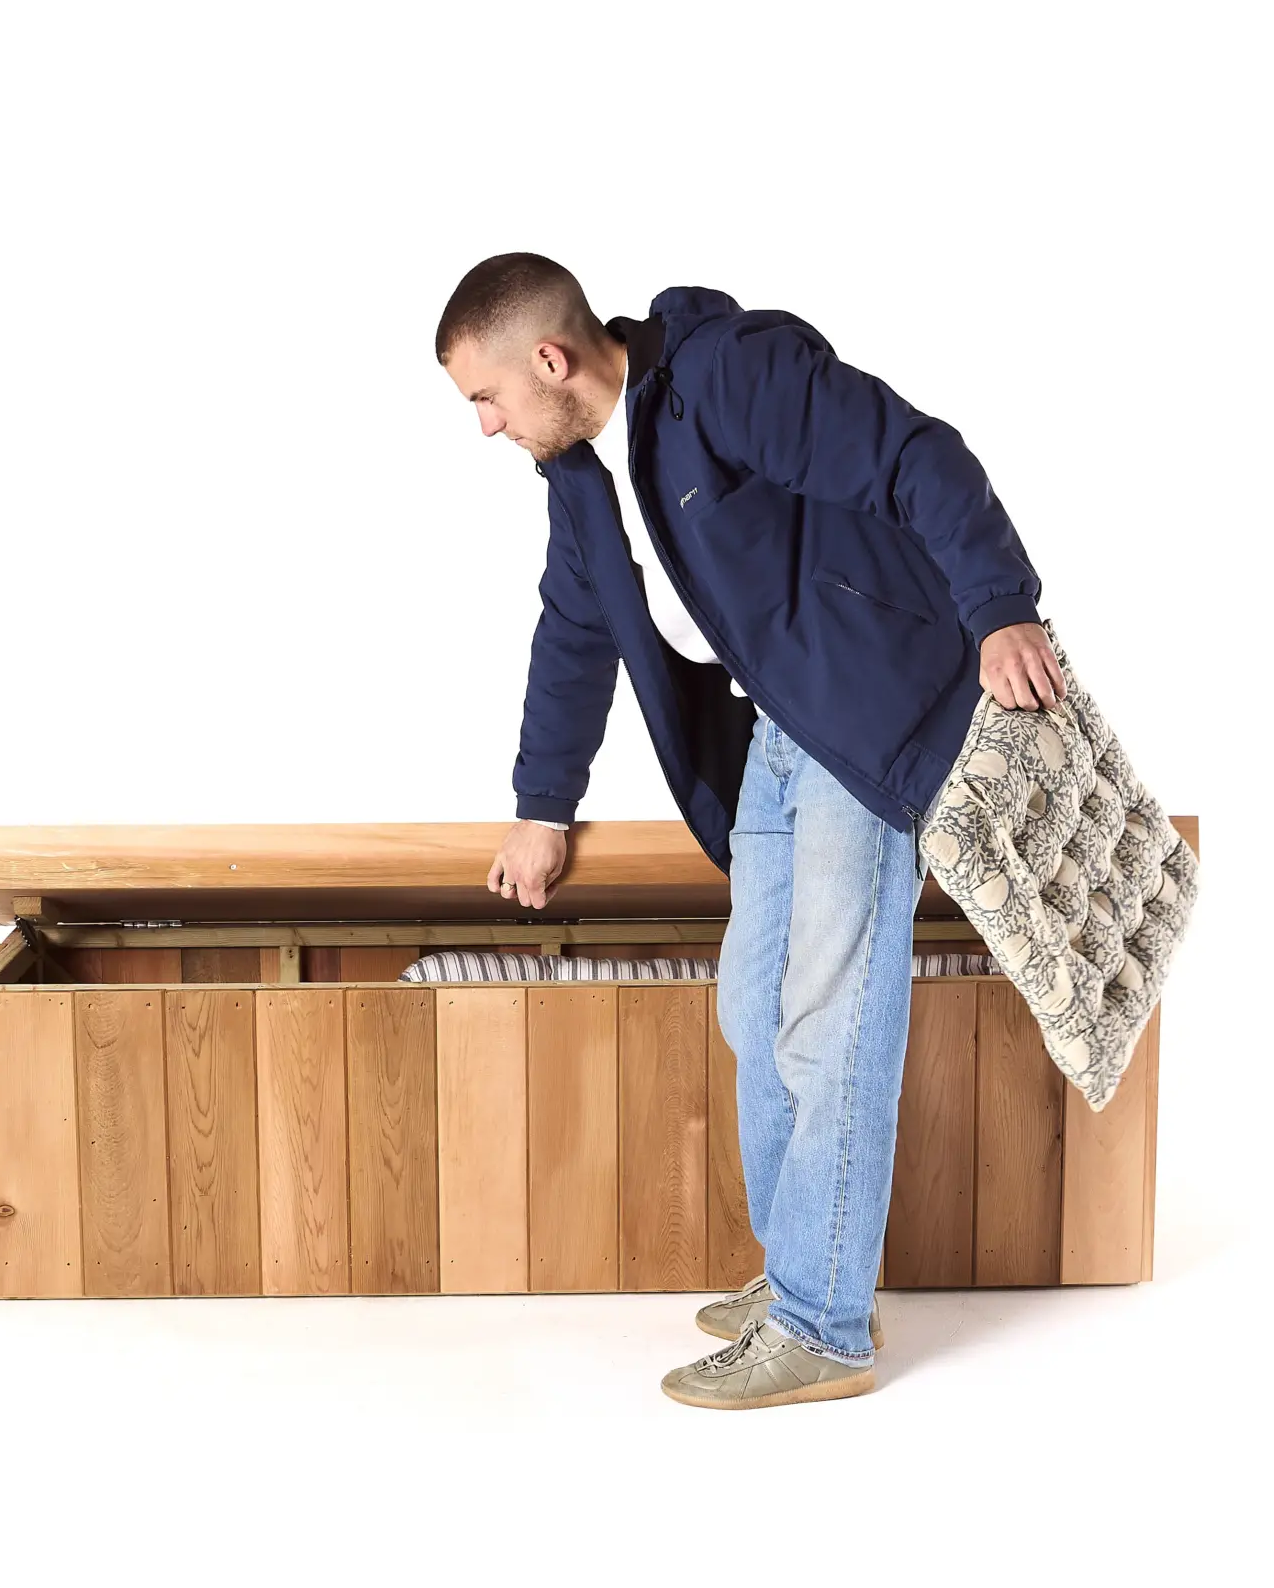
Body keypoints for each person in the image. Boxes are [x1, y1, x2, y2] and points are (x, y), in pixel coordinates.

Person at [435, 253, 1065, 1408]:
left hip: (865, 718)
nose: (483, 426)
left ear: (549, 360)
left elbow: (914, 453)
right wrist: (541, 808)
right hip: (773, 738)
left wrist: (1000, 609)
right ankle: (802, 1278)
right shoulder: (579, 476)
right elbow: (574, 630)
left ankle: (823, 1327)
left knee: (829, 1013)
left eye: (486, 397)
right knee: (755, 1007)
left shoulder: (726, 375)